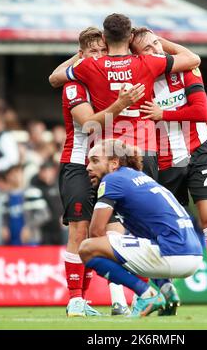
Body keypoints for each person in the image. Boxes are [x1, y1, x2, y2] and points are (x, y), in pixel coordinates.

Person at [131, 27, 207, 314]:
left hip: (199, 150)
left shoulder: (186, 67)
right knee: (156, 227)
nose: (156, 51)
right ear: (138, 58)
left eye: (156, 44)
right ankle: (164, 290)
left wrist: (164, 114)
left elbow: (200, 112)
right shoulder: (140, 82)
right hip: (164, 161)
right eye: (148, 49)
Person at [58, 27, 145, 317]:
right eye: (92, 52)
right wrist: (121, 104)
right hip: (78, 164)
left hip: (107, 166)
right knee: (80, 230)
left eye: (102, 51)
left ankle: (114, 298)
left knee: (110, 232)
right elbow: (89, 125)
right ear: (81, 56)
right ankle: (75, 299)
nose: (98, 57)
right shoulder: (75, 85)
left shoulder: (106, 80)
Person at [49, 13, 200, 180]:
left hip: (111, 154)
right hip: (143, 151)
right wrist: (157, 40)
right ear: (131, 38)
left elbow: (54, 78)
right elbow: (193, 59)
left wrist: (79, 56)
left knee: (109, 204)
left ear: (104, 38)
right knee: (143, 204)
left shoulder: (88, 65)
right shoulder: (148, 62)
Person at [78, 139, 203, 317]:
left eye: (95, 160)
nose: (88, 167)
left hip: (173, 253)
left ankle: (145, 295)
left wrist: (116, 260)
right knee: (140, 244)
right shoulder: (140, 178)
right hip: (194, 255)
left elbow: (96, 233)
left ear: (114, 163)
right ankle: (168, 292)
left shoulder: (113, 179)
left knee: (87, 248)